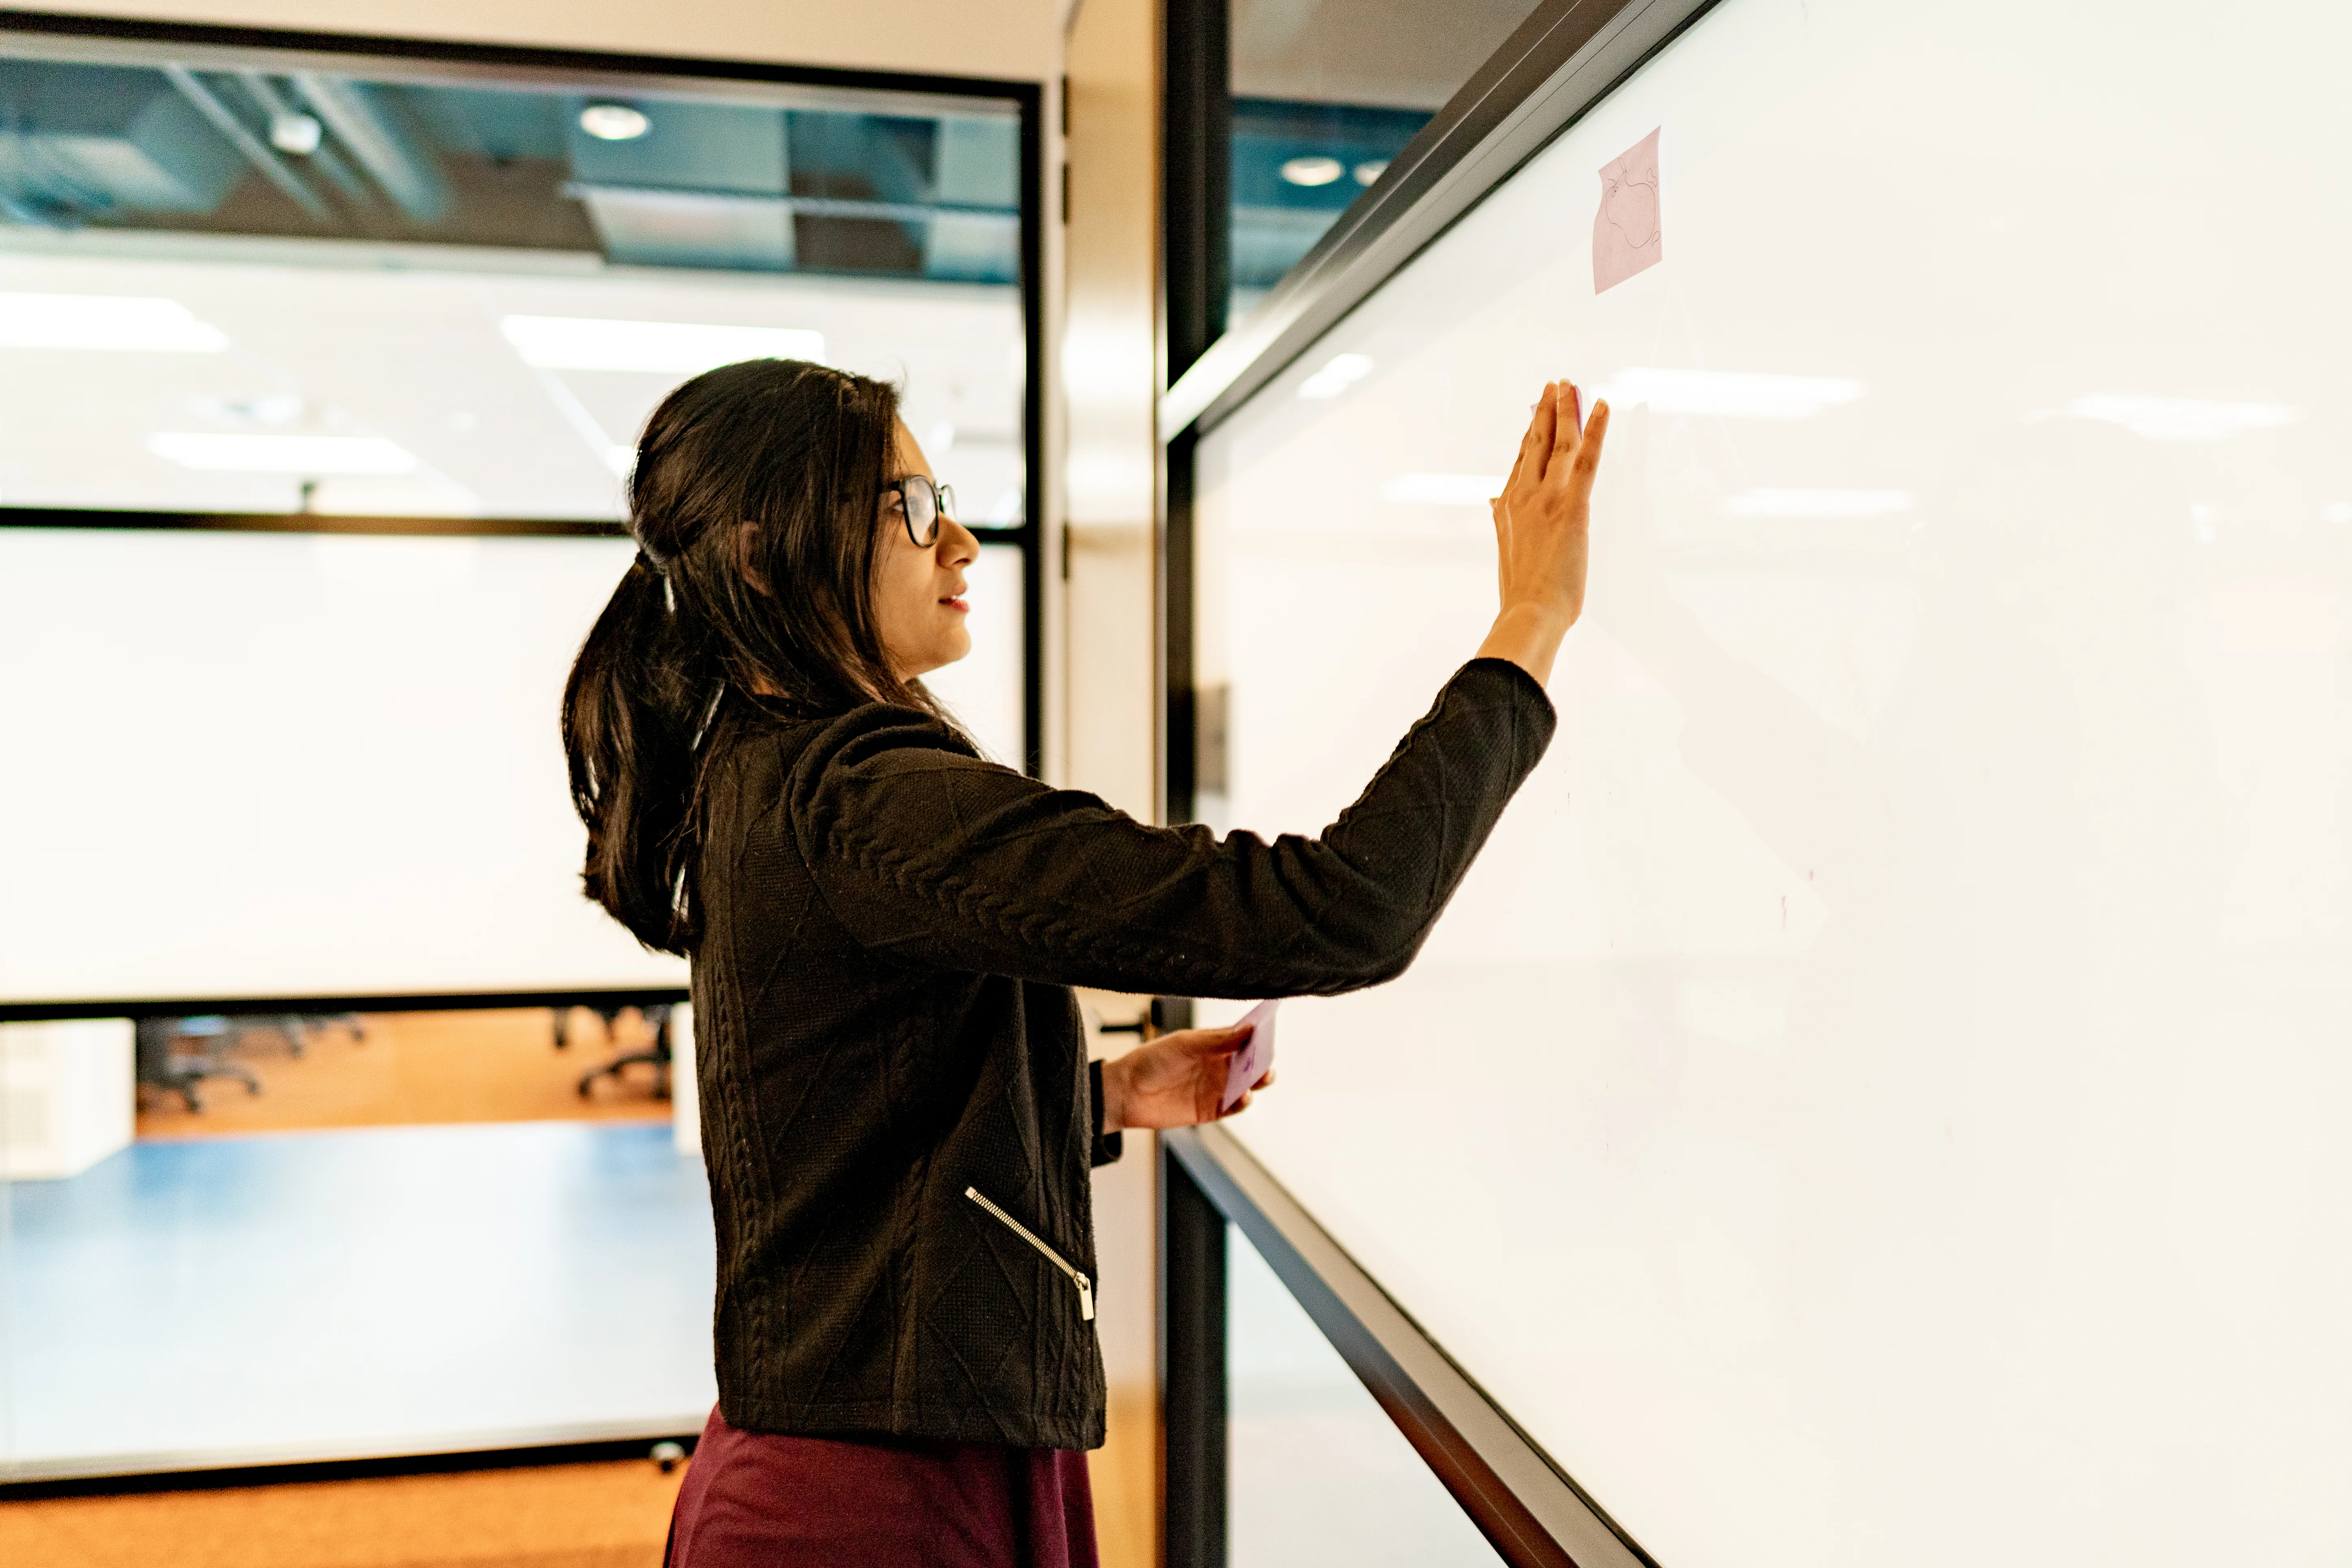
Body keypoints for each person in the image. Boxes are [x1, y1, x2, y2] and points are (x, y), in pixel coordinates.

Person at [561, 360, 1607, 1567]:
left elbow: (844, 1109)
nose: (954, 540)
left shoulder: (769, 771)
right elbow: (1339, 909)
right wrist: (1529, 623)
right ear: (762, 556)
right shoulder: (859, 799)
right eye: (908, 508)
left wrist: (1095, 1095)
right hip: (870, 1506)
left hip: (887, 1448)